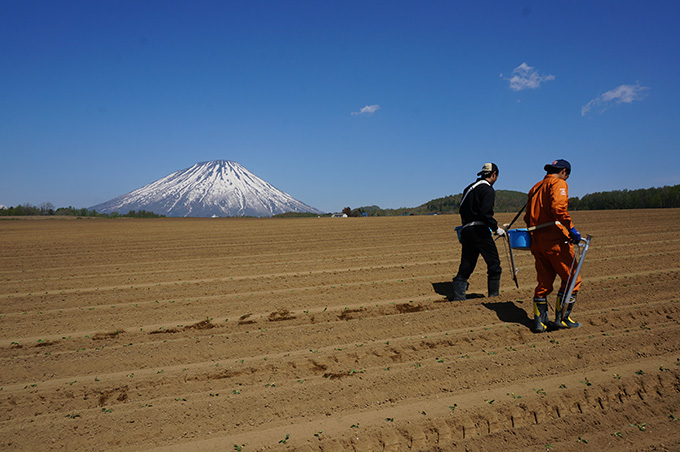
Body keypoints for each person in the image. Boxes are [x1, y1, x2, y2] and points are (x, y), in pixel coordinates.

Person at [524, 159, 582, 333]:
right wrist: (571, 229)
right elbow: (558, 208)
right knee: (573, 279)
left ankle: (540, 323)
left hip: (537, 241)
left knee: (544, 283)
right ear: (564, 171)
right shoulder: (559, 183)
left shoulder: (535, 187)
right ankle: (562, 319)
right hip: (555, 240)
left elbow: (527, 217)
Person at [452, 163, 505, 301]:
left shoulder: (468, 189)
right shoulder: (488, 190)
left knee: (467, 263)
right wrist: (496, 228)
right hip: (479, 230)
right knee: (494, 263)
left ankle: (459, 296)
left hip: (466, 230)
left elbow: (462, 210)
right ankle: (494, 298)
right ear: (494, 175)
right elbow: (485, 213)